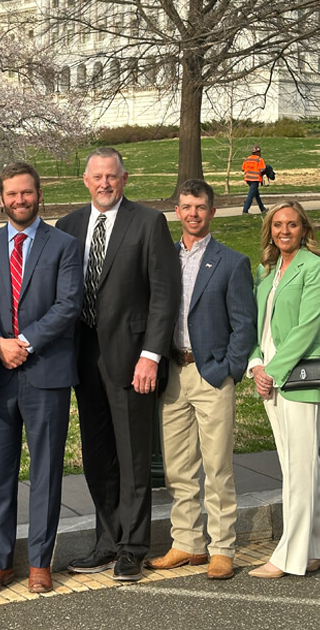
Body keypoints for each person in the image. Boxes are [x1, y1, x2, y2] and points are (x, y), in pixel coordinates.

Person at [56, 148, 180, 582]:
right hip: (83, 360)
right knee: (97, 457)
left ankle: (133, 547)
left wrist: (151, 355)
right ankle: (107, 540)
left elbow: (165, 296)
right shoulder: (68, 227)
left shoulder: (149, 223)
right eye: (97, 177)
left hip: (132, 362)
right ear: (85, 181)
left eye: (112, 176)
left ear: (124, 179)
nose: (105, 183)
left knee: (132, 459)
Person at [0, 162, 83, 596]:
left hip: (46, 374)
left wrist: (26, 342)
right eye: (12, 194)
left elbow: (69, 304)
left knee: (47, 471)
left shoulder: (64, 246)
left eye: (27, 193)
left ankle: (40, 561)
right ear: (1, 198)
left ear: (40, 194)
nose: (20, 200)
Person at [146, 180, 256, 580]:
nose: (192, 213)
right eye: (186, 206)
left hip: (211, 373)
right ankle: (187, 543)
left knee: (217, 466)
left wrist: (228, 368)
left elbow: (244, 324)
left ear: (211, 211)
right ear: (177, 211)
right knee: (178, 467)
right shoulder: (163, 259)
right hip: (173, 375)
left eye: (200, 207)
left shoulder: (231, 262)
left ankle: (222, 547)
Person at [247, 200, 320, 578]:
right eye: (278, 225)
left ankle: (289, 557)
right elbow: (258, 325)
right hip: (270, 377)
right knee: (296, 466)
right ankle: (314, 548)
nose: (285, 231)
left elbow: (307, 328)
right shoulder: (267, 269)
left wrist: (273, 370)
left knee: (301, 469)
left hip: (298, 380)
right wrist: (256, 363)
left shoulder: (315, 267)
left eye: (292, 224)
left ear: (304, 229)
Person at [242, 145, 267, 214]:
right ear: (258, 152)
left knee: (256, 194)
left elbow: (243, 169)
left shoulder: (247, 159)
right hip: (255, 179)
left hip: (248, 179)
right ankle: (245, 210)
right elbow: (262, 169)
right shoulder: (259, 159)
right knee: (251, 195)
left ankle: (262, 209)